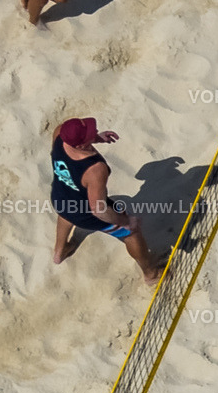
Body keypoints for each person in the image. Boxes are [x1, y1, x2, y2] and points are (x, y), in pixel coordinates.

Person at [50, 117, 162, 284]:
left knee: (66, 214)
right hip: (85, 213)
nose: (94, 131)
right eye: (91, 133)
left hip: (60, 198)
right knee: (131, 233)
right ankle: (151, 274)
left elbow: (75, 149)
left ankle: (59, 253)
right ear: (81, 145)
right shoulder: (95, 169)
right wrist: (126, 221)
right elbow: (99, 210)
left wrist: (96, 139)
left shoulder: (59, 132)